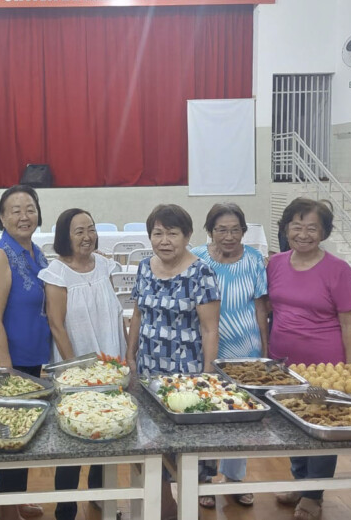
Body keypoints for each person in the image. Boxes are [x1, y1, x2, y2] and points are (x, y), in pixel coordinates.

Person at [124, 204, 221, 520]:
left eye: (172, 233)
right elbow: (138, 315)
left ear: (187, 236)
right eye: (157, 233)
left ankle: (190, 510)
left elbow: (209, 328)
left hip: (187, 376)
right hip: (149, 372)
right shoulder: (144, 267)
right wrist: (130, 355)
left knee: (187, 448)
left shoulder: (201, 273)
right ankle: (166, 510)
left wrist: (208, 375)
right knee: (152, 445)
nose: (164, 241)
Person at [267, 197, 351, 520]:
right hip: (282, 363)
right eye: (297, 226)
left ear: (324, 232)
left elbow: (348, 323)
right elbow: (268, 308)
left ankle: (313, 493)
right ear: (286, 229)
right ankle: (301, 481)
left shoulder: (338, 269)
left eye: (312, 228)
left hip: (325, 367)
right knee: (292, 421)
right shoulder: (275, 263)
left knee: (320, 424)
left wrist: (350, 369)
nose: (303, 234)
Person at [38, 208, 123, 520]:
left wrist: (124, 357)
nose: (87, 237)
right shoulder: (56, 273)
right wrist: (77, 368)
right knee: (72, 435)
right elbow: (56, 325)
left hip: (109, 363)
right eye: (79, 231)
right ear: (65, 236)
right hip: (74, 369)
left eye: (91, 229)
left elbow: (114, 312)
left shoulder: (105, 265)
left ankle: (100, 496)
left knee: (108, 428)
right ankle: (66, 507)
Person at [0, 184, 52, 520]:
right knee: (9, 435)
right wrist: (6, 372)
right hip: (9, 362)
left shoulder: (36, 252)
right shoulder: (0, 256)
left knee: (25, 431)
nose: (24, 216)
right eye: (15, 210)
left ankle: (13, 499)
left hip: (33, 357)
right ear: (2, 217)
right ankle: (8, 509)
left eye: (30, 209)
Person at [190, 203, 268, 509]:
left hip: (246, 350)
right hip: (207, 347)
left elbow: (260, 306)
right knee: (206, 415)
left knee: (242, 416)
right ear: (210, 231)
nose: (229, 236)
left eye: (236, 229)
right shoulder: (197, 257)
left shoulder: (254, 259)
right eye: (221, 229)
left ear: (244, 231)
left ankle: (235, 479)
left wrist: (264, 348)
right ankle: (204, 481)